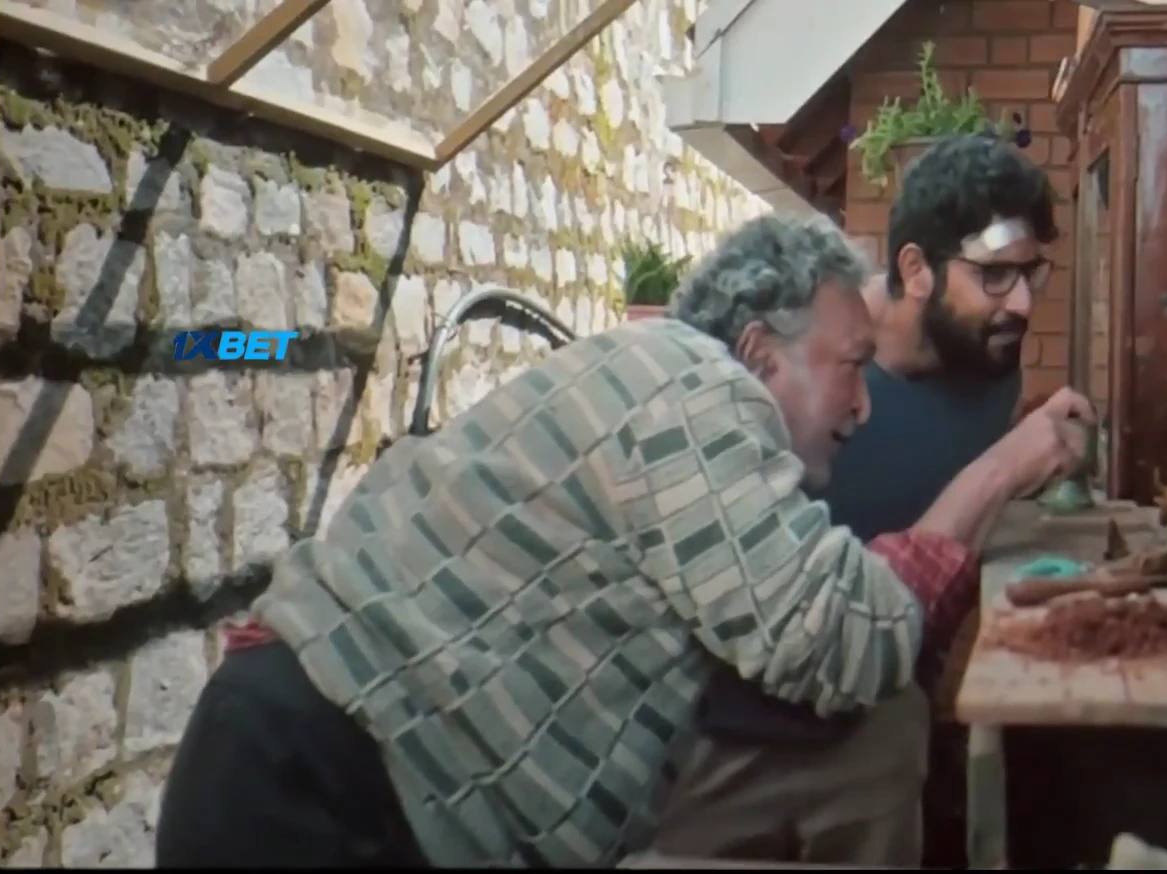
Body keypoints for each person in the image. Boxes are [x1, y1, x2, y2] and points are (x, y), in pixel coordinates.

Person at [153, 213, 1093, 868]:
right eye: (850, 367)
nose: (862, 405)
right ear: (759, 352)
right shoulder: (695, 384)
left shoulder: (675, 405)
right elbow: (836, 635)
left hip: (331, 779)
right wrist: (997, 473)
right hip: (308, 792)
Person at [656, 135, 1062, 866]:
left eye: (1031, 274)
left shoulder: (990, 368)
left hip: (876, 691)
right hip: (732, 702)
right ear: (916, 269)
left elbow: (926, 564)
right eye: (994, 275)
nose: (1023, 304)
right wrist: (1000, 470)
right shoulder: (791, 365)